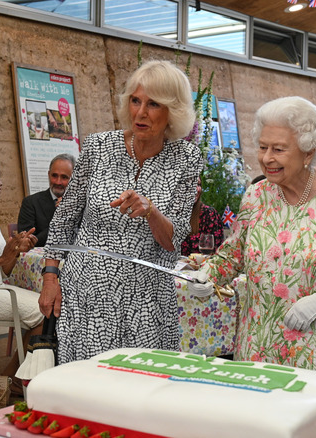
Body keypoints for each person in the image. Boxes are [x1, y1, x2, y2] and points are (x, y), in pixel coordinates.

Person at [190, 97, 316, 371]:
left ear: (308, 152)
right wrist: (209, 274)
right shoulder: (256, 195)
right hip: (254, 349)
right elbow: (232, 255)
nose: (266, 158)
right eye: (262, 147)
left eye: (279, 149)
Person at [38, 60, 202, 364]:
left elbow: (174, 241)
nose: (140, 112)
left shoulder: (187, 158)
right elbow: (64, 219)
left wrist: (150, 211)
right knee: (86, 386)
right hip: (87, 294)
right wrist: (50, 278)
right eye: (135, 101)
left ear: (173, 112)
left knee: (140, 389)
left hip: (147, 298)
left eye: (153, 104)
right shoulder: (98, 147)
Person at [0, 156, 43, 384]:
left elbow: (4, 270)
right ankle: (16, 378)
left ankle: (13, 373)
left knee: (47, 303)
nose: (1, 183)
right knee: (43, 311)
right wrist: (4, 257)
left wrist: (15, 249)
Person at [17, 154, 75, 247]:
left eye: (64, 177)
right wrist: (61, 218)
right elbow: (27, 243)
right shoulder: (31, 203)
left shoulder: (82, 205)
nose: (58, 182)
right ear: (48, 174)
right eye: (54, 176)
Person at [181, 178, 224, 256]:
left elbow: (217, 251)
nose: (196, 189)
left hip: (201, 266)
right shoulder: (168, 214)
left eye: (198, 184)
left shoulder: (209, 214)